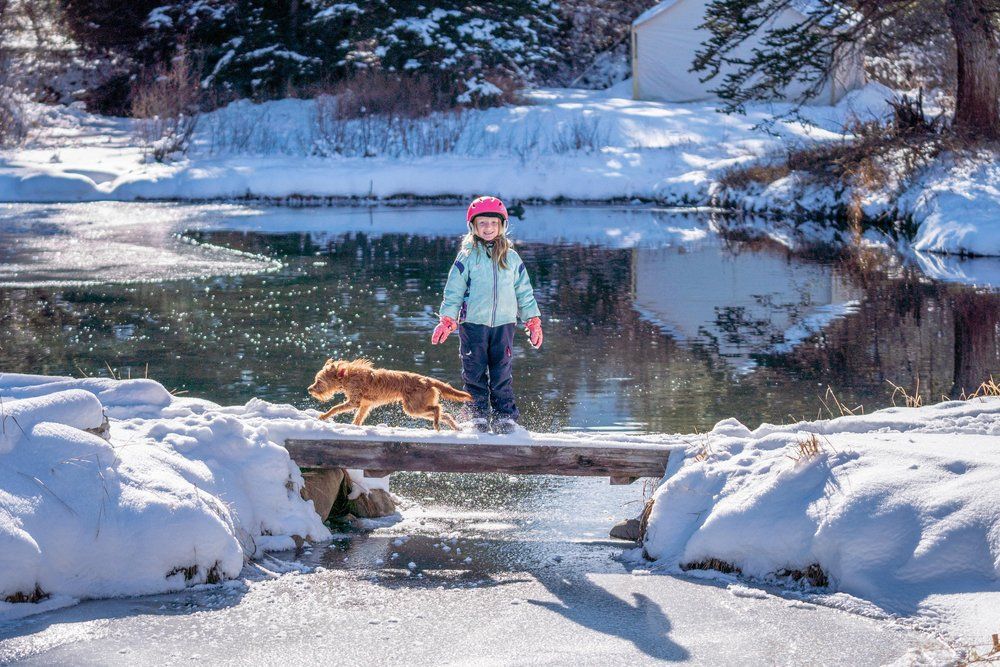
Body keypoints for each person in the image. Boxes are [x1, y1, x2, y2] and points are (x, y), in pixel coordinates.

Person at [430, 196, 543, 434]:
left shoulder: (511, 257)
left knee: (502, 372)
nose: (488, 228)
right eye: (483, 223)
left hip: (504, 325)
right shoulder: (467, 256)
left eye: (493, 223)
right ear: (473, 226)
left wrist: (532, 320)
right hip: (473, 324)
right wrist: (448, 319)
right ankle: (476, 415)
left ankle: (505, 417)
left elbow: (524, 291)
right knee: (474, 371)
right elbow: (454, 290)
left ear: (502, 225)